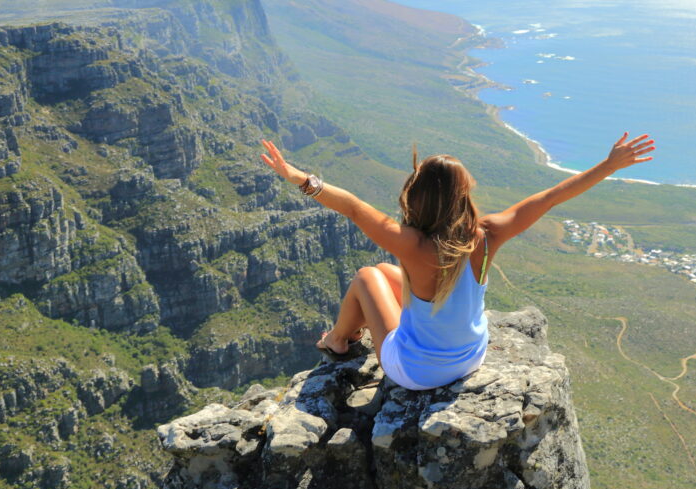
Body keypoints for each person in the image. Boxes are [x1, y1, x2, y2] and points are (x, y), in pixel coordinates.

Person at [258, 132, 654, 390]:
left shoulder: (411, 243)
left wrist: (299, 177)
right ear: (461, 197)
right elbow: (550, 197)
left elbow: (356, 208)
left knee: (366, 276)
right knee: (385, 273)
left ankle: (338, 341)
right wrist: (609, 165)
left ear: (418, 196)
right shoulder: (487, 234)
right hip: (470, 357)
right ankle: (347, 337)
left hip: (416, 373)